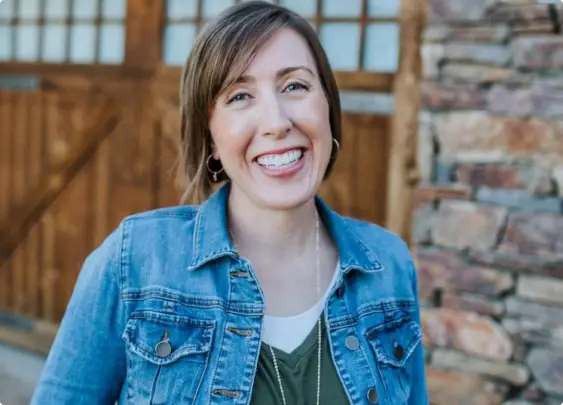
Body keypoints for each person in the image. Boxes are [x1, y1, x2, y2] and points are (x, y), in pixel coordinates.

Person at [31, 1, 427, 404]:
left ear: (327, 106)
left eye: (295, 86)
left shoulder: (388, 265)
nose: (276, 122)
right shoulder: (134, 261)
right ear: (212, 138)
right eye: (239, 96)